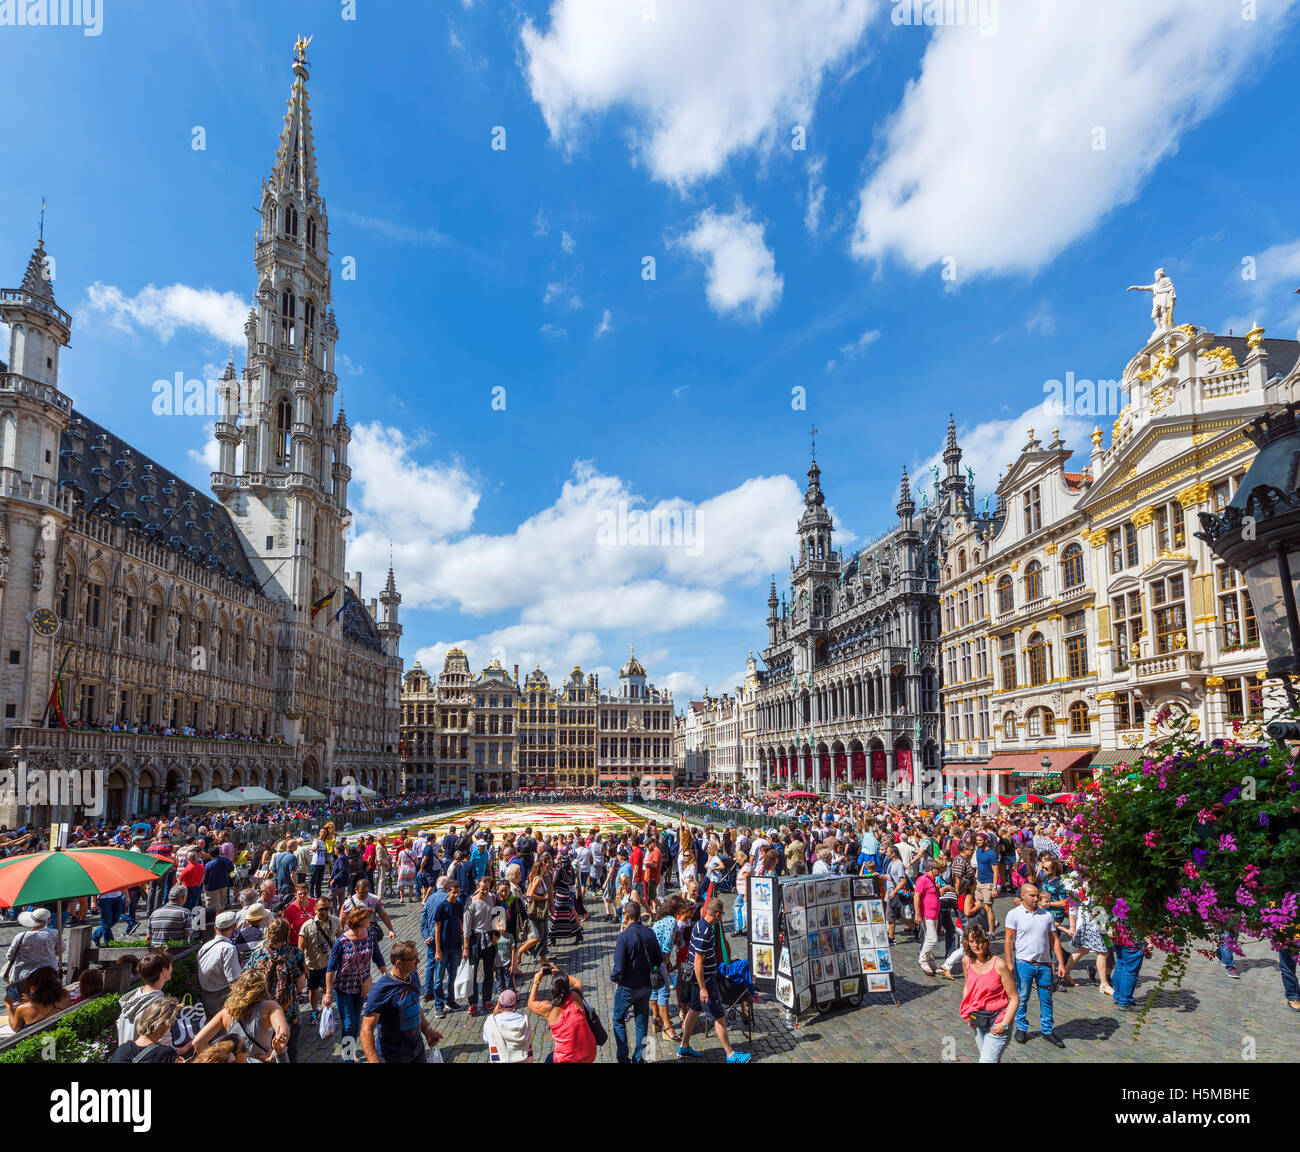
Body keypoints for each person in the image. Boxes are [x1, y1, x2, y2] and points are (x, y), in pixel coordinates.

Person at [677, 897, 751, 1063]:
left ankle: (684, 1047)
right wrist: (703, 988)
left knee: (694, 1010)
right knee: (719, 1016)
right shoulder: (706, 932)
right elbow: (698, 961)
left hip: (699, 980)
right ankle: (731, 1054)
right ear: (717, 914)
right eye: (722, 915)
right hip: (706, 981)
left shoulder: (699, 925)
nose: (721, 918)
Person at [361, 939, 443, 1063]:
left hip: (417, 1051)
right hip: (393, 1056)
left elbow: (416, 1007)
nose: (419, 961)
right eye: (414, 958)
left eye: (418, 956)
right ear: (399, 963)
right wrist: (374, 1061)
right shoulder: (381, 990)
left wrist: (428, 1031)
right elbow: (366, 1030)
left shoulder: (413, 976)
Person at [1004, 883, 1067, 1047]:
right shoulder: (1014, 915)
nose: (1036, 898)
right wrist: (1009, 962)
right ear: (1023, 896)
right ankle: (1021, 1028)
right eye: (1032, 895)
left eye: (1037, 895)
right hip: (1023, 963)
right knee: (1023, 996)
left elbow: (1055, 941)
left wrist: (1060, 963)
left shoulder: (1046, 915)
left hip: (1045, 964)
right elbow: (1009, 939)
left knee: (1046, 998)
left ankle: (1047, 1030)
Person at [191, 969, 290, 1063]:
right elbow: (283, 1034)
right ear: (263, 988)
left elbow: (198, 1042)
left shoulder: (226, 1013)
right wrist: (274, 1052)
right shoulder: (270, 1007)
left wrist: (214, 1060)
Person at [245, 916, 308, 1063]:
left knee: (261, 1052)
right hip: (288, 1013)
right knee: (289, 1052)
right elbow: (300, 985)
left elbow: (245, 980)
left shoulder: (257, 955)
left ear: (268, 934)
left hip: (262, 1013)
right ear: (286, 935)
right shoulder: (295, 954)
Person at [611, 899, 662, 1063]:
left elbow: (618, 967)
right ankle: (640, 1058)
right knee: (641, 1022)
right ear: (639, 915)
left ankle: (623, 1057)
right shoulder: (650, 933)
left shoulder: (624, 937)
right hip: (646, 986)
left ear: (626, 916)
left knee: (618, 1019)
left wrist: (613, 978)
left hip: (627, 987)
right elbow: (658, 959)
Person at [959, 925, 1019, 1063]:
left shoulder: (999, 965)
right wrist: (968, 1013)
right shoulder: (966, 960)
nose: (976, 945)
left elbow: (1014, 998)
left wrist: (1004, 1024)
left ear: (986, 941)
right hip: (978, 1019)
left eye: (979, 940)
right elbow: (968, 987)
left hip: (998, 1020)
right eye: (972, 941)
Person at [324, 906, 376, 1061]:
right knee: (348, 1023)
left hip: (361, 987)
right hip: (344, 988)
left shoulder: (371, 935)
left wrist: (386, 974)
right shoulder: (342, 941)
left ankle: (350, 1049)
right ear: (359, 921)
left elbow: (378, 956)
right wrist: (328, 993)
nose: (370, 920)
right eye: (367, 917)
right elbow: (331, 968)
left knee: (356, 1020)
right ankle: (348, 1057)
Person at [527, 965, 596, 1063]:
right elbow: (577, 982)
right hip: (589, 1053)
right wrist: (560, 975)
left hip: (567, 1059)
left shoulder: (548, 1008)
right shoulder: (576, 997)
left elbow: (530, 1003)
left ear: (552, 988)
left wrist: (537, 980)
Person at [116, 953, 173, 1045]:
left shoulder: (133, 998)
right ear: (164, 970)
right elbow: (163, 1039)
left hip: (126, 1054)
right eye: (171, 966)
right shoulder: (159, 1004)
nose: (172, 969)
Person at [299, 896, 339, 1023]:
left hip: (329, 964)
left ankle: (324, 1011)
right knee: (313, 989)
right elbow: (300, 947)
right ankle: (315, 1009)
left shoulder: (335, 921)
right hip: (313, 964)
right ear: (315, 909)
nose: (324, 912)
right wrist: (304, 966)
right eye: (321, 909)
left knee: (327, 989)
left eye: (327, 909)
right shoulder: (307, 925)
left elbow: (341, 940)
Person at [108, 996, 181, 1064]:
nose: (171, 1025)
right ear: (162, 1024)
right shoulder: (167, 1054)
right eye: (172, 1022)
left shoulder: (121, 1050)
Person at [461, 876, 496, 1017]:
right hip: (475, 938)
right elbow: (467, 927)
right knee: (472, 972)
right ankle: (473, 1002)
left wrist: (495, 934)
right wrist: (466, 947)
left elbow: (495, 917)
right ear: (477, 888)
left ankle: (487, 999)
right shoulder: (470, 903)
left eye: (487, 889)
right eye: (483, 889)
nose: (485, 891)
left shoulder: (492, 898)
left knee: (489, 971)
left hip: (488, 937)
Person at [197, 910, 243, 1018]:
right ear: (235, 927)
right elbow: (234, 980)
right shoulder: (228, 949)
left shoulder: (205, 947)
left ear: (215, 928)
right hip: (222, 998)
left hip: (206, 997)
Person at [651, 895, 683, 1042]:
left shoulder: (659, 919)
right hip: (659, 957)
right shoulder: (671, 920)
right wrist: (667, 960)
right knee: (663, 990)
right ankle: (667, 1027)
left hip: (650, 958)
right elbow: (667, 943)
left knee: (654, 987)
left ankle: (656, 1019)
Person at [431, 880, 464, 1019]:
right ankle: (438, 1005)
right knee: (439, 978)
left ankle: (450, 1000)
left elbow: (461, 924)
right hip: (443, 947)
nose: (456, 895)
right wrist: (438, 949)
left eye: (458, 892)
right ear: (448, 891)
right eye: (454, 892)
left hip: (456, 946)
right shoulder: (442, 906)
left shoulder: (459, 905)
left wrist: (463, 946)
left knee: (453, 976)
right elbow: (437, 928)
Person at [4, 966, 71, 1033]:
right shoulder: (66, 995)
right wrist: (32, 1000)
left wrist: (9, 1007)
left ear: (34, 987)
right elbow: (48, 1000)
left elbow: (15, 1028)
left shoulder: (22, 1009)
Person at [4, 907, 59, 984]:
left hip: (24, 975)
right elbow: (61, 949)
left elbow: (9, 956)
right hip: (49, 974)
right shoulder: (55, 934)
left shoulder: (21, 936)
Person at [484, 987, 532, 1062]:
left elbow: (487, 1039)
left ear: (499, 1004)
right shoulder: (524, 1019)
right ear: (515, 1004)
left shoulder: (491, 1021)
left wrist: (494, 1014)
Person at [914, 858, 942, 976]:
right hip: (927, 914)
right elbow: (917, 896)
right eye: (937, 869)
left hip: (933, 914)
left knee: (928, 938)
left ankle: (931, 962)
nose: (939, 871)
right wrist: (918, 913)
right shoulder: (923, 880)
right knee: (932, 939)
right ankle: (923, 960)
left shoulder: (931, 880)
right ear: (931, 869)